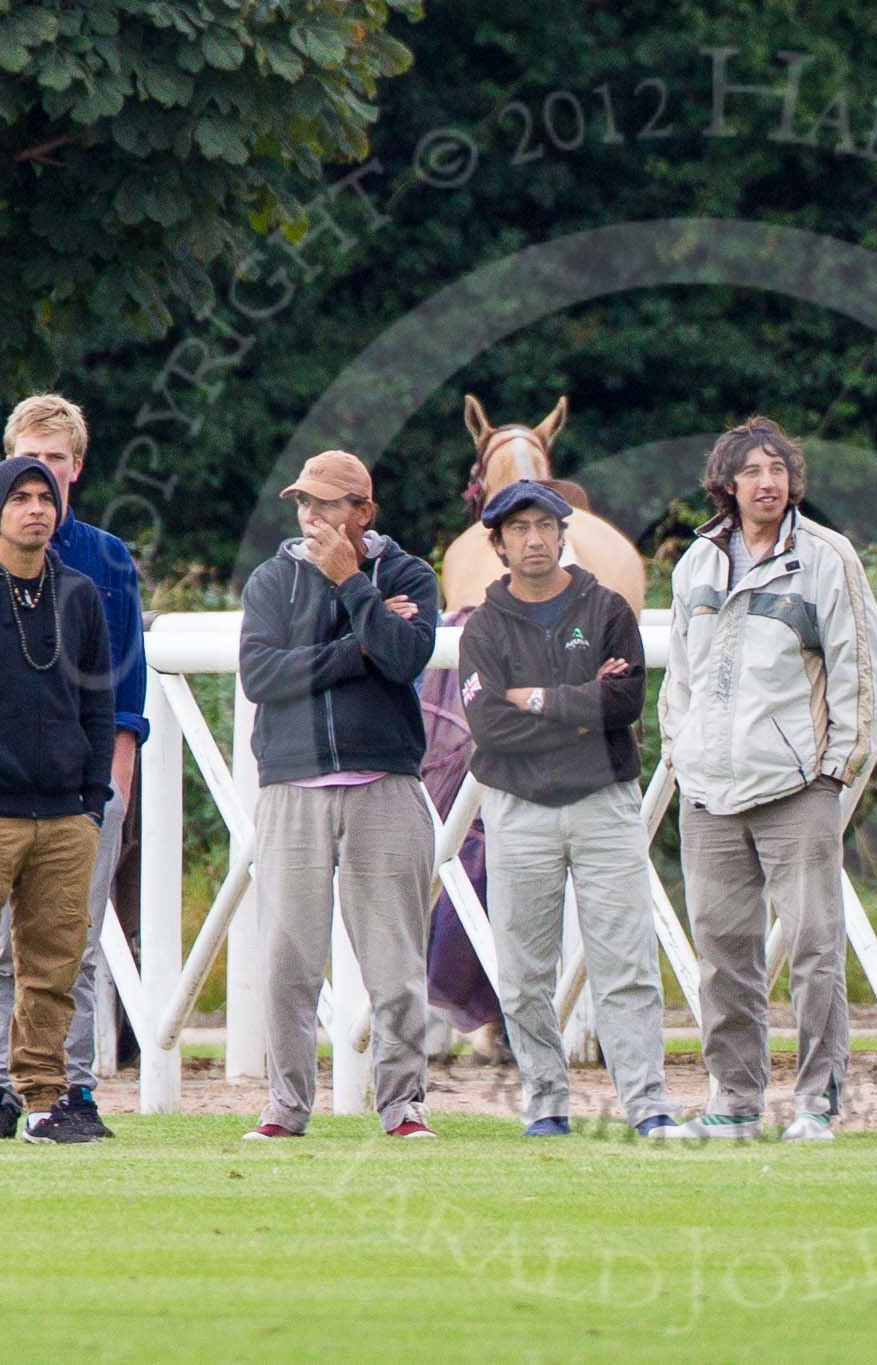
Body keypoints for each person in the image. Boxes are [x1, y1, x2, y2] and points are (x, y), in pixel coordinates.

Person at [0, 393, 146, 1140]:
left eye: (54, 466)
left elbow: (120, 684)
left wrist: (106, 787)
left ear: (78, 466)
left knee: (69, 947)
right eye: (26, 468)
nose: (39, 489)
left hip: (74, 791)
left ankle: (66, 1090)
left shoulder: (102, 564)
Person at [657, 417, 877, 1141]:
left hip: (797, 789)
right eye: (753, 470)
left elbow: (862, 670)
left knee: (817, 949)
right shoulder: (695, 563)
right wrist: (682, 752)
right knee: (723, 959)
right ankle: (733, 1102)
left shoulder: (826, 557)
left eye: (779, 469)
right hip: (708, 794)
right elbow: (681, 678)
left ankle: (817, 1104)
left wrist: (833, 772)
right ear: (726, 483)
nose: (768, 481)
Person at [457, 481, 676, 1139]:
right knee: (524, 971)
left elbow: (623, 703)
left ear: (562, 533)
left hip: (605, 800)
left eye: (544, 526)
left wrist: (537, 700)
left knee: (626, 960)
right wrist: (576, 705)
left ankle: (647, 1103)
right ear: (497, 542)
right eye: (518, 528)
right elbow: (489, 726)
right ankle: (546, 1100)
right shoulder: (484, 626)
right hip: (519, 807)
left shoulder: (607, 608)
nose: (533, 539)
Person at [239, 450, 441, 1140]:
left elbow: (405, 657)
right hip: (292, 784)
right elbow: (262, 676)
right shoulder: (271, 580)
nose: (312, 516)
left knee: (395, 965)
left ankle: (403, 1106)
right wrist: (357, 647)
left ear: (364, 512)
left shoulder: (407, 573)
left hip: (385, 781)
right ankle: (285, 1109)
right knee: (287, 965)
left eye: (328, 504)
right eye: (305, 503)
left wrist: (352, 587)